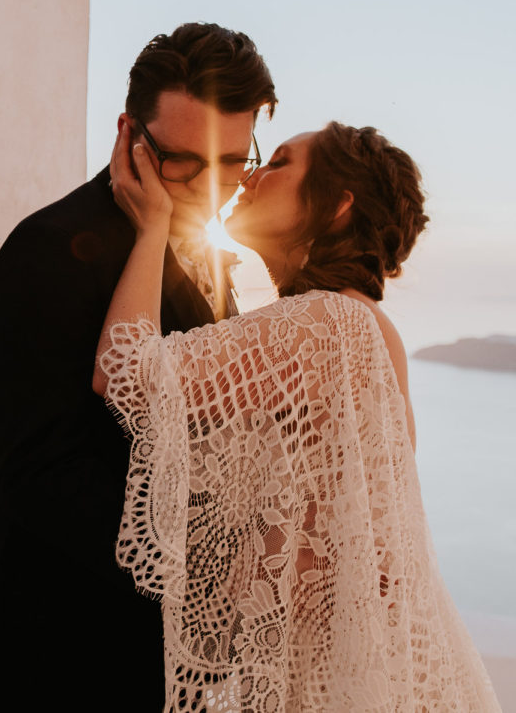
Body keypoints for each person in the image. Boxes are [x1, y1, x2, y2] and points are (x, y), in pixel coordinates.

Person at [93, 121, 501, 711]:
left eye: (280, 162)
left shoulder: (326, 326)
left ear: (336, 206)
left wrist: (152, 226)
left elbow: (127, 375)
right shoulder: (375, 334)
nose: (253, 175)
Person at [0, 22, 277, 712]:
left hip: (152, 656)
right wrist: (207, 563)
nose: (211, 190)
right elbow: (38, 473)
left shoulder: (209, 253)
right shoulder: (45, 249)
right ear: (130, 132)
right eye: (183, 161)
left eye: (232, 163)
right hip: (48, 650)